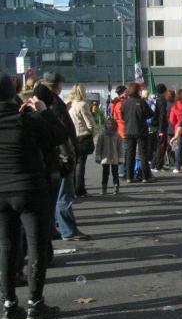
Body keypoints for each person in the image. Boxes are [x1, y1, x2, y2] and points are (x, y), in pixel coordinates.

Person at [1, 74, 67, 319]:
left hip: (1, 190)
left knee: (6, 247)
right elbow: (59, 135)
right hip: (29, 188)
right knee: (36, 245)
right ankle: (35, 302)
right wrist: (43, 111)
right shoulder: (25, 117)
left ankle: (9, 303)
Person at [35, 73, 92, 242]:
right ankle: (68, 230)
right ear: (56, 86)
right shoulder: (54, 105)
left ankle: (54, 228)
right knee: (64, 195)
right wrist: (69, 154)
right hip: (61, 155)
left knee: (55, 195)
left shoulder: (42, 103)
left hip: (50, 156)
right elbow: (62, 133)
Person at [121, 83, 155, 184]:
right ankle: (145, 177)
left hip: (128, 131)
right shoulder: (141, 102)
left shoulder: (125, 103)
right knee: (143, 154)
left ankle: (129, 177)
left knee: (129, 154)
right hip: (141, 131)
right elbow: (150, 114)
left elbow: (122, 116)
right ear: (138, 91)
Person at [67, 83, 96, 197]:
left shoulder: (69, 104)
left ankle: (73, 188)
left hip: (72, 135)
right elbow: (90, 123)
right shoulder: (83, 105)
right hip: (83, 135)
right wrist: (93, 132)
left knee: (74, 164)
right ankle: (80, 189)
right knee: (81, 164)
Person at [95, 117, 123, 195]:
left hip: (115, 157)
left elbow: (120, 148)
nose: (110, 125)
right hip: (105, 157)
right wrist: (98, 156)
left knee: (115, 173)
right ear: (105, 125)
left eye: (111, 124)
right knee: (105, 173)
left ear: (115, 125)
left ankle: (116, 187)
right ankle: (104, 188)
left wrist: (121, 158)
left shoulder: (117, 135)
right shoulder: (102, 135)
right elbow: (99, 146)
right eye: (108, 124)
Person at [150, 83, 170, 172]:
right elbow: (162, 115)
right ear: (164, 91)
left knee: (157, 146)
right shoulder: (162, 100)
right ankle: (157, 165)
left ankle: (157, 164)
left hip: (152, 125)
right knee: (161, 146)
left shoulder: (153, 98)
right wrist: (161, 129)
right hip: (160, 126)